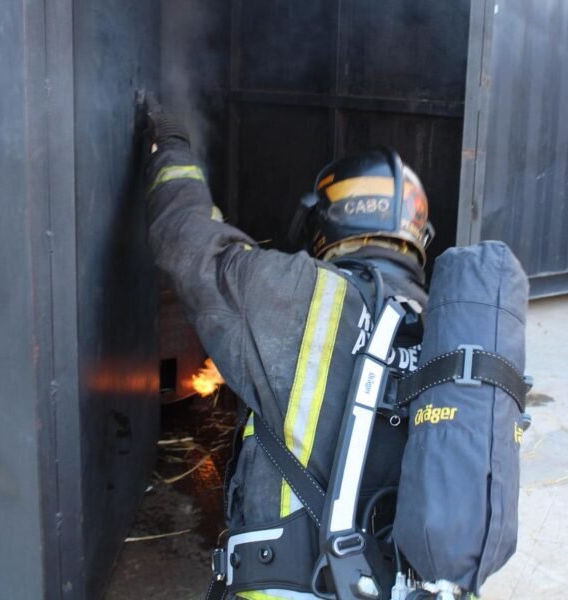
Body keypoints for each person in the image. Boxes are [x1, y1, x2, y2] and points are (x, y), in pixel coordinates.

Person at [143, 99, 434, 600]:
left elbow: (186, 237)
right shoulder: (447, 327)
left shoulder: (293, 291)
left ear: (324, 224)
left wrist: (170, 145)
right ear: (417, 234)